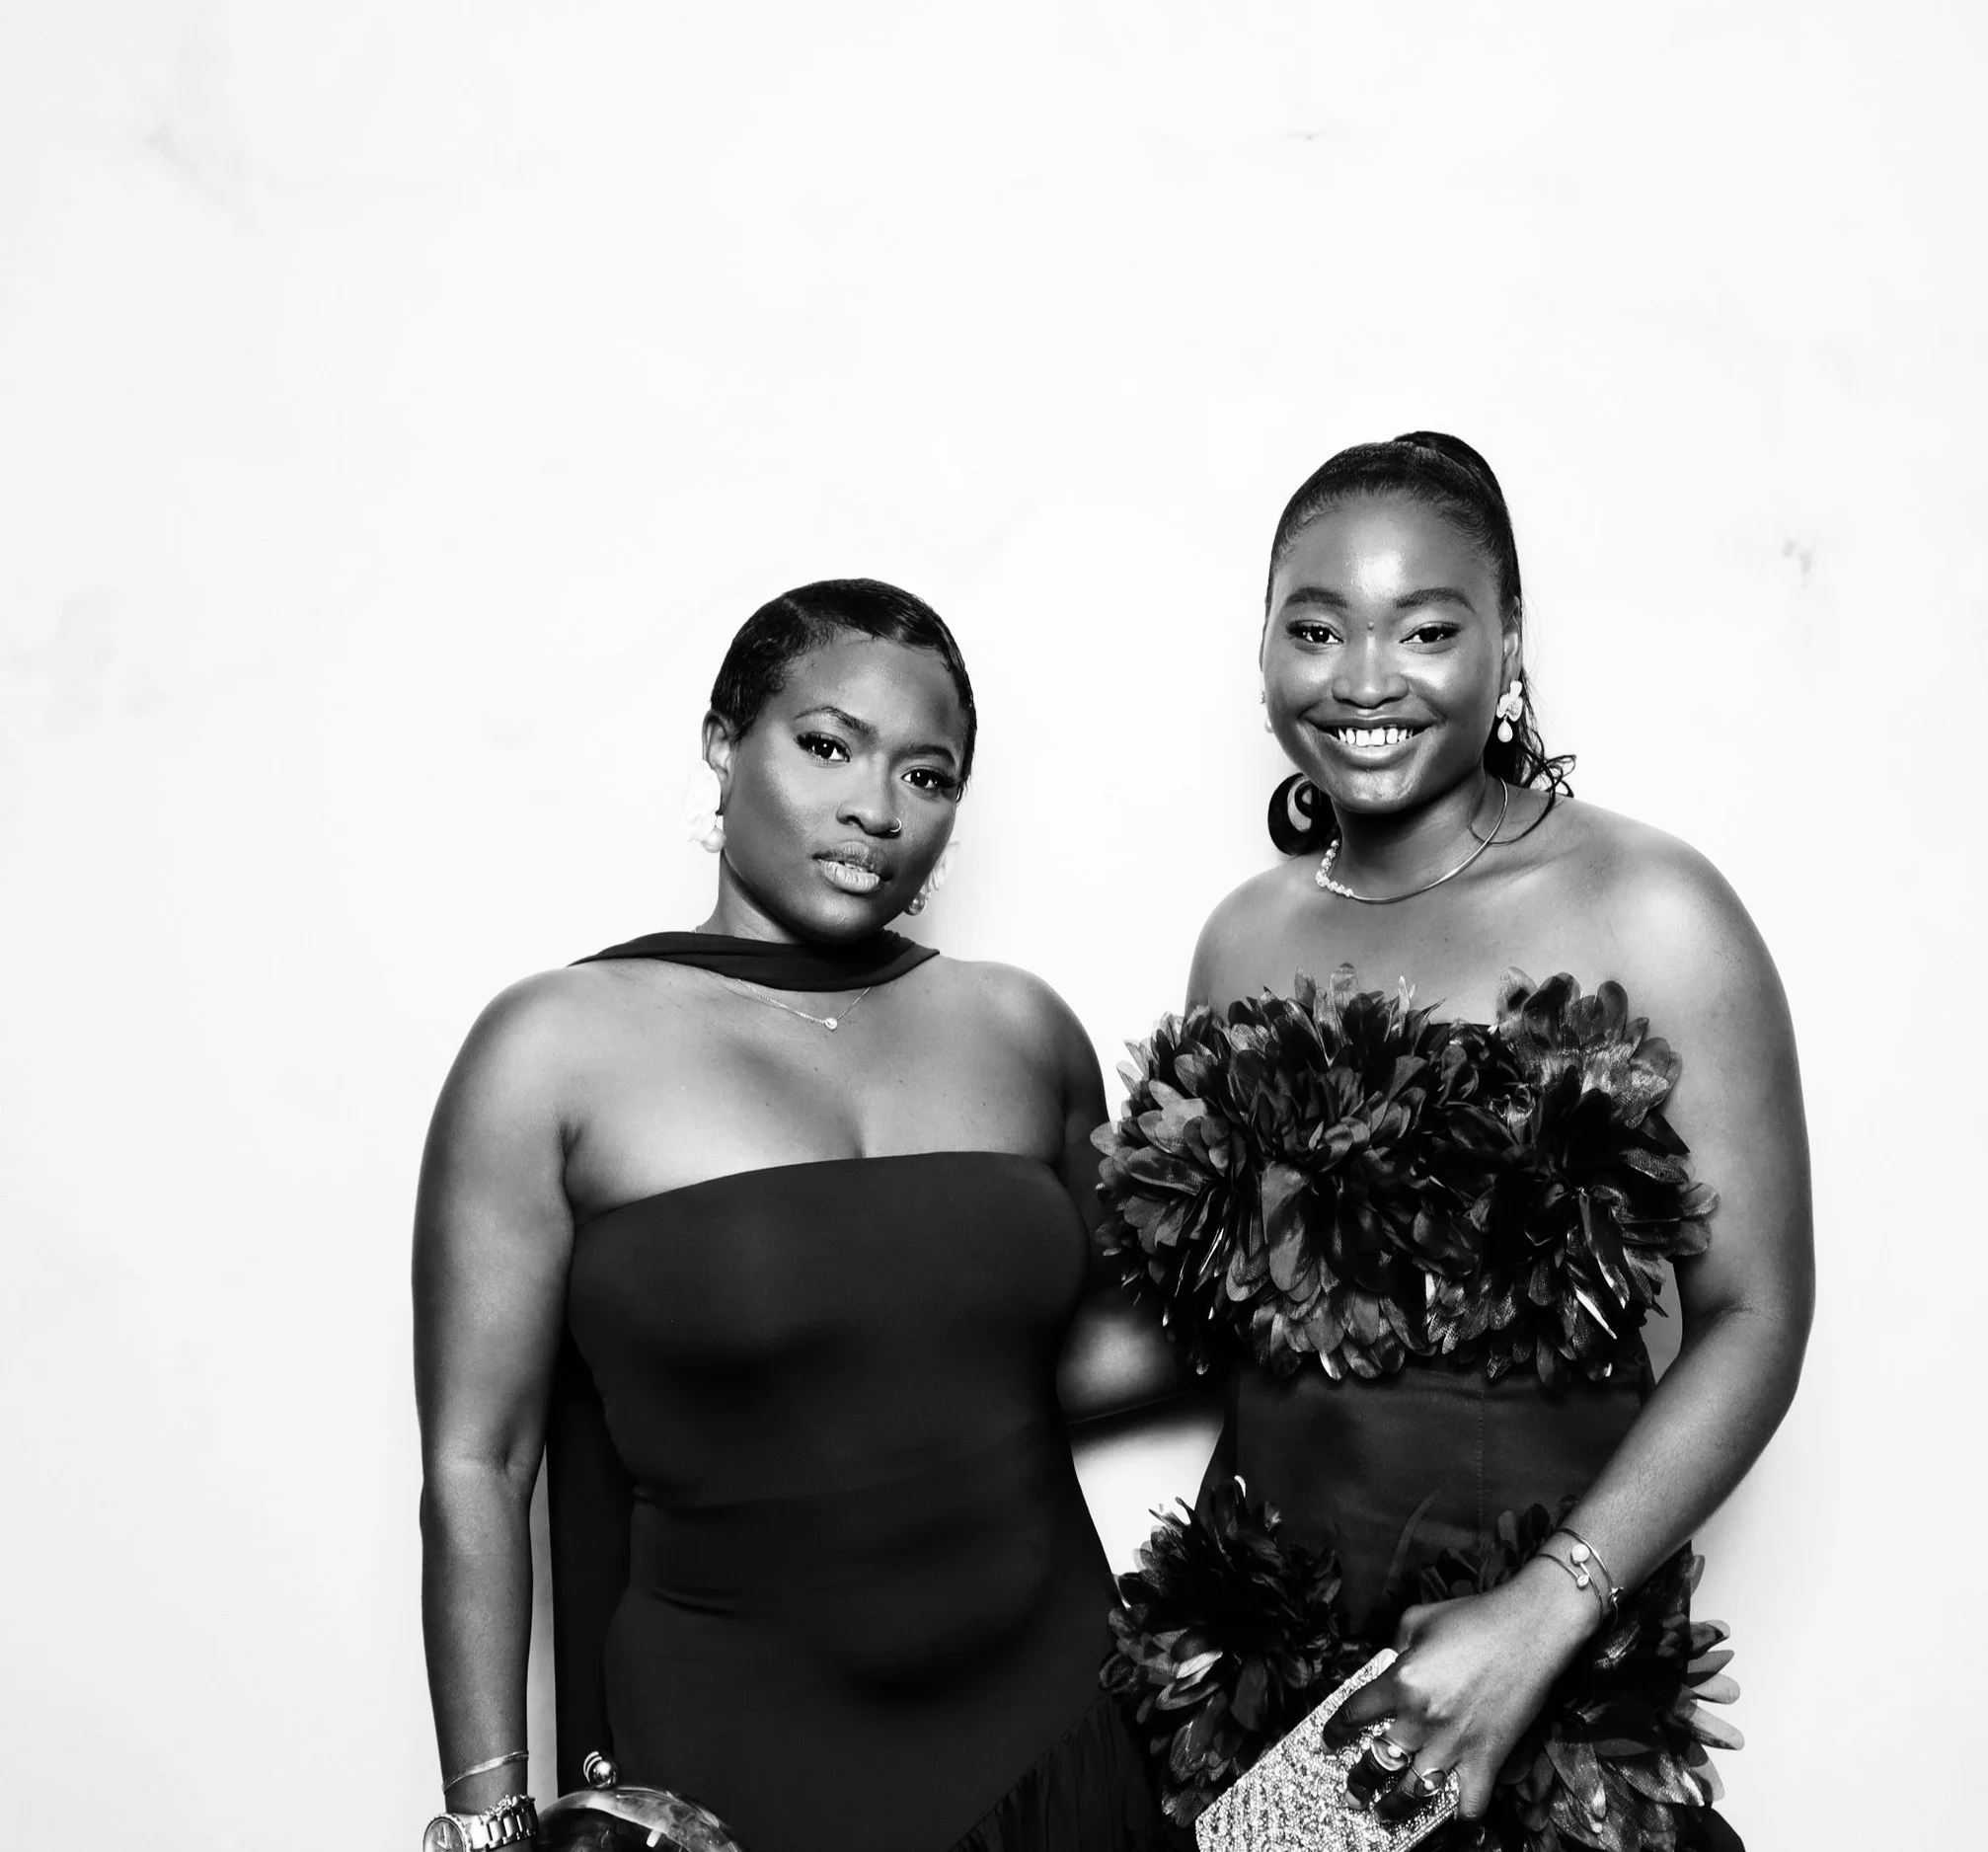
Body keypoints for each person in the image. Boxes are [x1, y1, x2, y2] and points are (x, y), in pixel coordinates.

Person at [1097, 436, 1813, 1850]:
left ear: (1511, 648)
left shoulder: (1655, 911)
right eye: (1316, 629)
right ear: (1264, 648)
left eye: (1427, 630)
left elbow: (1757, 1317)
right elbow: (1218, 1331)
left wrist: (1543, 1615)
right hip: (1270, 1723)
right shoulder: (1244, 938)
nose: (1365, 680)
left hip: (1540, 1688)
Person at [414, 579, 1177, 1852]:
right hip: (736, 1784)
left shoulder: (1020, 1027)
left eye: (928, 778)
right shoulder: (550, 1051)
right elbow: (476, 1467)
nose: (876, 811)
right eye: (828, 747)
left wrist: (1333, 1274)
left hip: (1064, 1731)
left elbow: (1060, 1360)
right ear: (724, 746)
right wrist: (490, 1828)